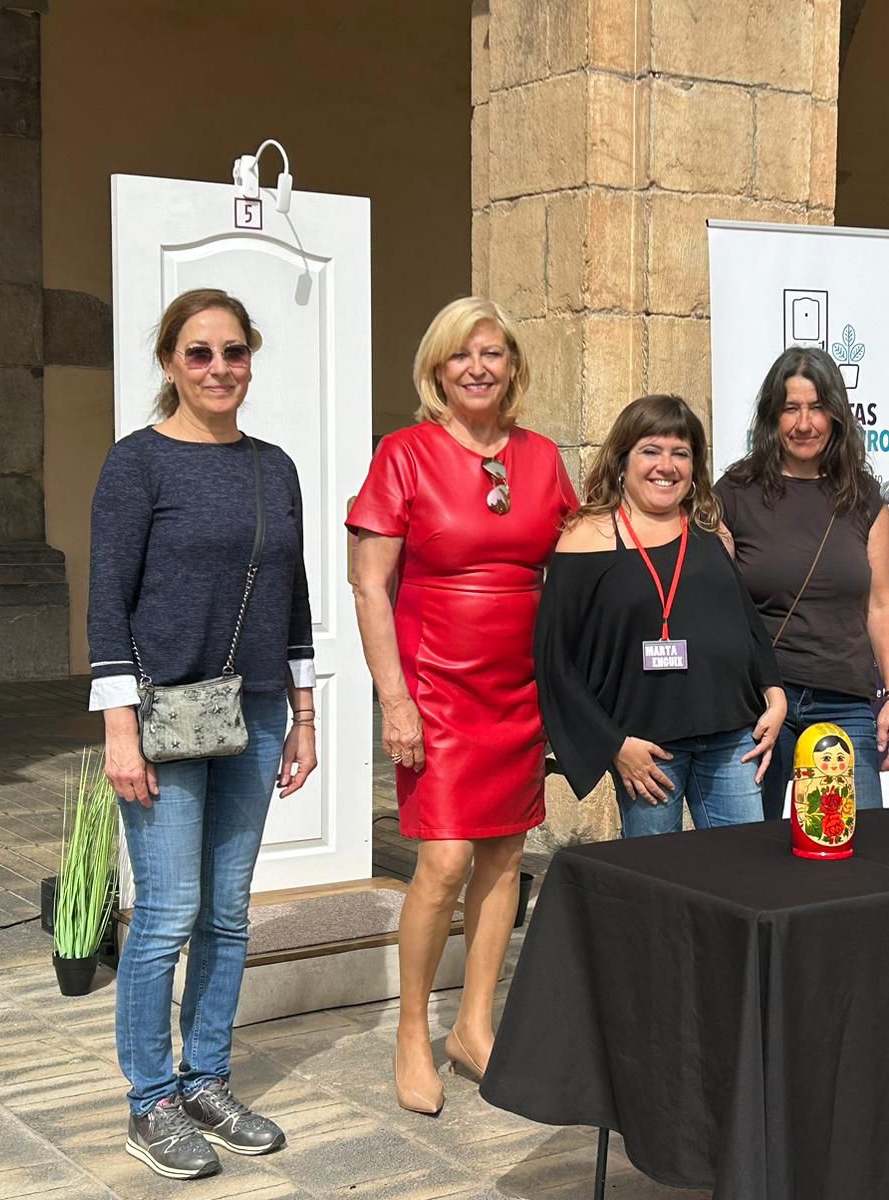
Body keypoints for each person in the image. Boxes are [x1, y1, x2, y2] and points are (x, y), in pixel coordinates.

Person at [89, 288, 318, 1180]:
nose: (219, 369)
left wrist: (303, 716)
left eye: (233, 351)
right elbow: (108, 599)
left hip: (256, 711)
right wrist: (119, 729)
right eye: (199, 353)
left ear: (251, 358)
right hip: (161, 714)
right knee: (168, 915)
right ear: (170, 363)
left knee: (227, 911)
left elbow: (293, 598)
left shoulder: (275, 467)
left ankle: (206, 1078)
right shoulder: (136, 464)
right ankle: (150, 1101)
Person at [348, 296, 577, 1117]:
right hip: (436, 686)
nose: (478, 368)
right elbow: (370, 584)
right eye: (461, 355)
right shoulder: (404, 454)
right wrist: (395, 699)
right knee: (443, 863)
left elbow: (580, 562)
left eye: (493, 353)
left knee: (505, 860)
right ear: (437, 369)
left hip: (519, 689)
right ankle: (414, 1029)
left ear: (513, 365)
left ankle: (474, 1028)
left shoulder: (544, 459)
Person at [535, 394, 787, 836]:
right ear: (622, 460)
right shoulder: (587, 536)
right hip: (646, 748)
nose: (666, 465)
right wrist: (612, 744)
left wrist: (775, 692)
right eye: (651, 451)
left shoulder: (706, 531)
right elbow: (556, 660)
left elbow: (746, 623)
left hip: (732, 737)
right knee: (658, 882)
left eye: (681, 453)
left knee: (748, 875)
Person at [715, 346, 889, 821]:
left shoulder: (864, 497)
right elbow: (715, 604)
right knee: (751, 854)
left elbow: (881, 604)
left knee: (856, 851)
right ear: (771, 416)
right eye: (791, 408)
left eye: (817, 407)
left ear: (838, 414)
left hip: (844, 702)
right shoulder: (734, 493)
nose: (805, 423)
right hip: (758, 704)